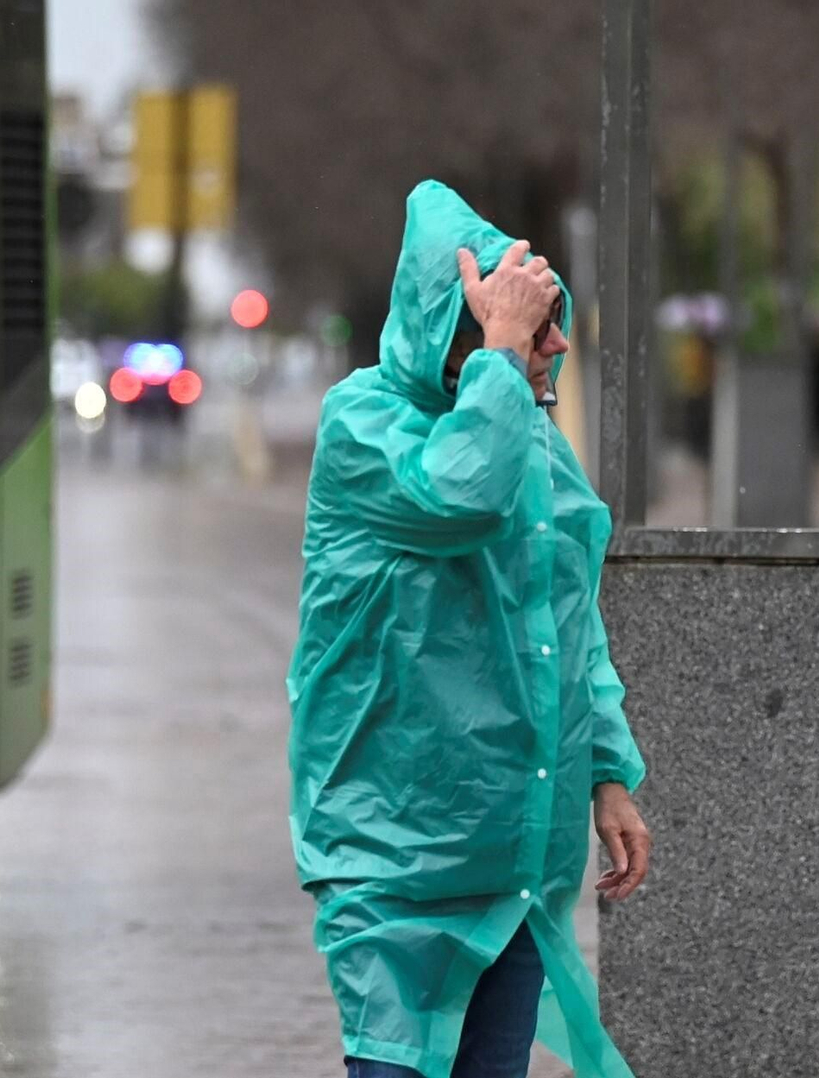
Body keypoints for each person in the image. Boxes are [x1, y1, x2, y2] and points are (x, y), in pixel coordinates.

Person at [287, 181, 650, 1078]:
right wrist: (500, 355)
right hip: (393, 854)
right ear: (457, 328)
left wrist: (607, 773)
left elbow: (570, 619)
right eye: (533, 323)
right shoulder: (363, 425)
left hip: (510, 857)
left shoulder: (524, 432)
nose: (554, 344)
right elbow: (462, 496)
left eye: (552, 321)